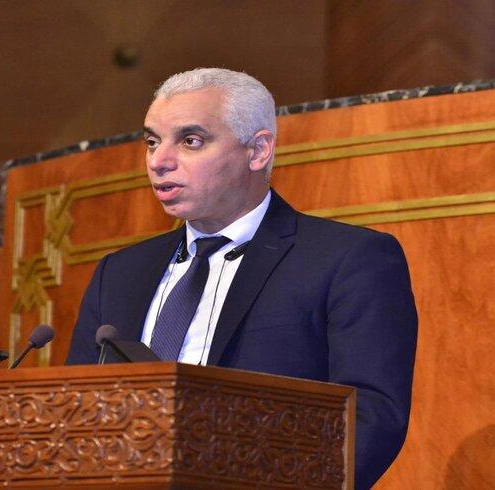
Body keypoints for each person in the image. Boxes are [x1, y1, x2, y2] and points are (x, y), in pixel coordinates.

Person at [65, 68, 417, 489]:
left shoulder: (346, 259)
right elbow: (74, 409)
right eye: (153, 142)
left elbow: (370, 418)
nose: (159, 161)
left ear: (258, 151)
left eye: (190, 141)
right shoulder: (119, 273)